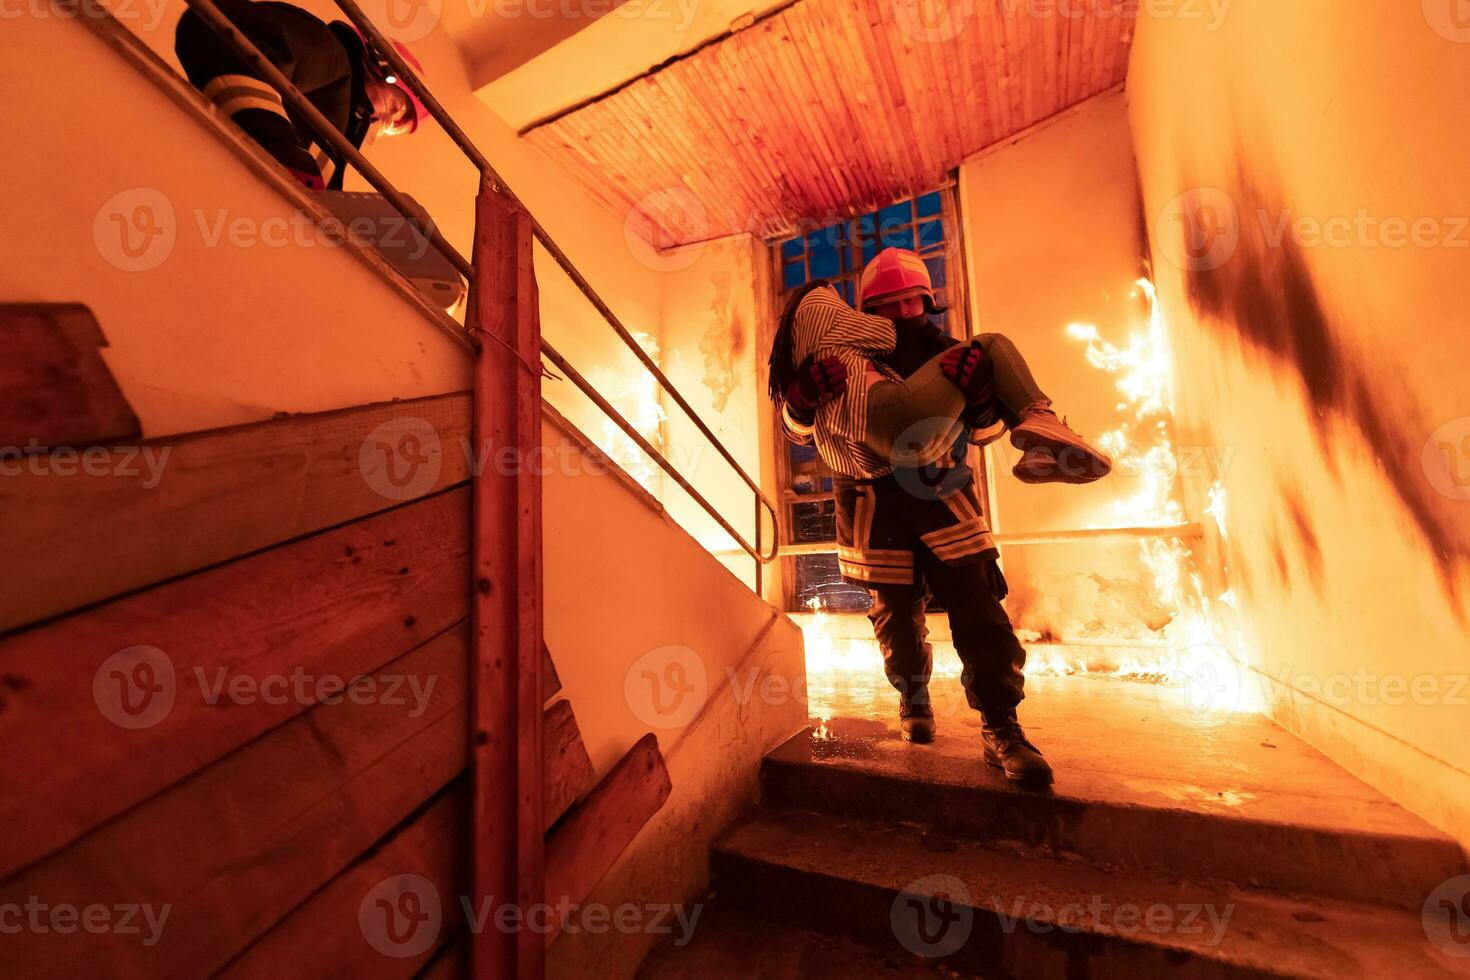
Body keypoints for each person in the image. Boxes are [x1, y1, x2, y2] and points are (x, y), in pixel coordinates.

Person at [769, 247, 1110, 785]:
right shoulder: (845, 357)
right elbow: (799, 433)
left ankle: (1003, 727)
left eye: (912, 301)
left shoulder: (952, 356)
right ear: (868, 312)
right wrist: (802, 398)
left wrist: (976, 397)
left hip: (940, 492)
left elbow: (980, 435)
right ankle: (913, 699)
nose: (903, 313)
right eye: (889, 304)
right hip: (870, 501)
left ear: (927, 302)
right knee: (895, 617)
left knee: (978, 606)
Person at [175, 0, 424, 190]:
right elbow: (217, 32)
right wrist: (283, 148)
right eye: (399, 106)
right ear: (381, 67)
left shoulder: (339, 131)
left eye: (399, 126)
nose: (392, 120)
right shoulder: (333, 56)